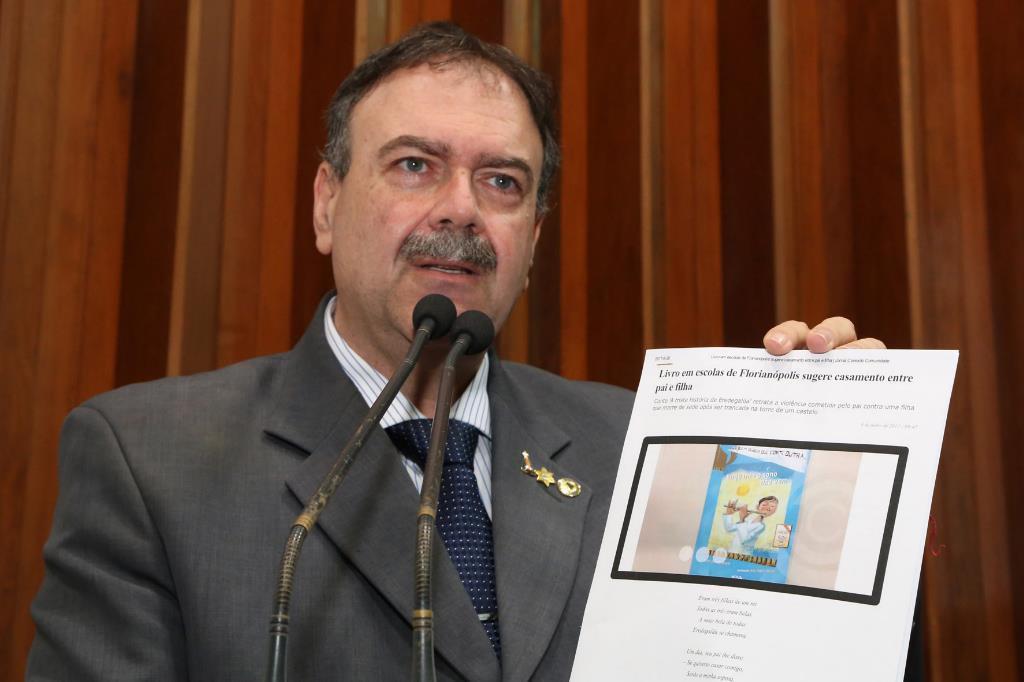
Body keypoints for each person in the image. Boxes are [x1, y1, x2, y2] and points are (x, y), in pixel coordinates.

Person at [26, 22, 884, 681]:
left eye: (502, 182)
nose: (461, 209)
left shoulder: (644, 450)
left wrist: (850, 469)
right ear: (327, 204)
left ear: (532, 240)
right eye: (414, 165)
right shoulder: (152, 461)